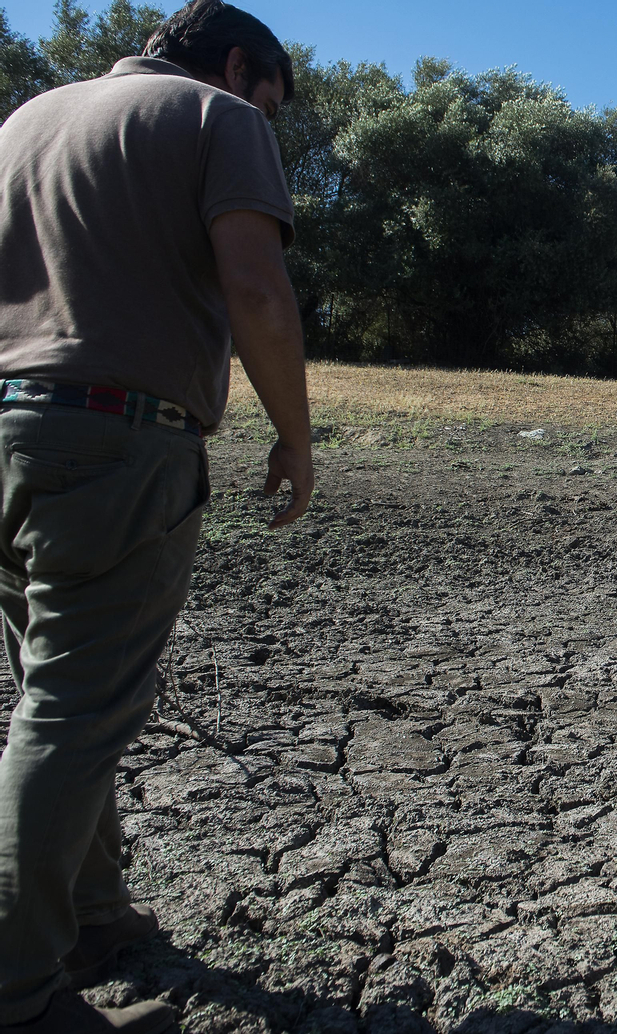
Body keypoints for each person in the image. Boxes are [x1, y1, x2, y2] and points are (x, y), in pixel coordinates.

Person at [0, 0, 313, 1029]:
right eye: (269, 95)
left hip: (7, 431)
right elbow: (257, 287)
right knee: (75, 712)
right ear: (238, 65)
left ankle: (92, 916)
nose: (266, 113)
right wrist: (293, 435)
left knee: (56, 697)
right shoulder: (219, 119)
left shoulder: (28, 120)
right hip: (114, 438)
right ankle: (21, 991)